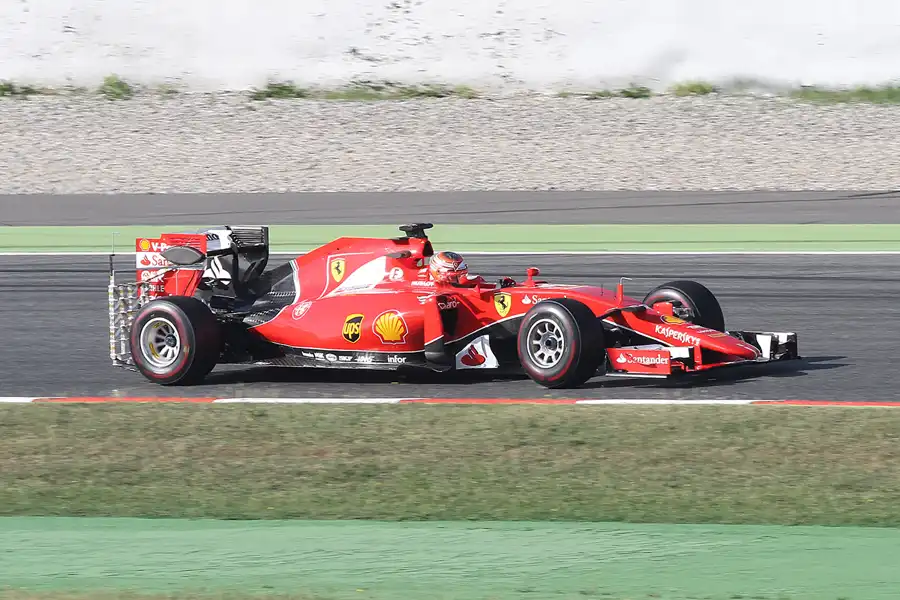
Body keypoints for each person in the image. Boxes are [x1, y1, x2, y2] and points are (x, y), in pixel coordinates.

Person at [428, 251, 515, 287]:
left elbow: (487, 287)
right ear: (438, 271)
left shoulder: (469, 282)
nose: (457, 278)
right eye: (452, 272)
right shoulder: (424, 286)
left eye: (459, 273)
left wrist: (501, 286)